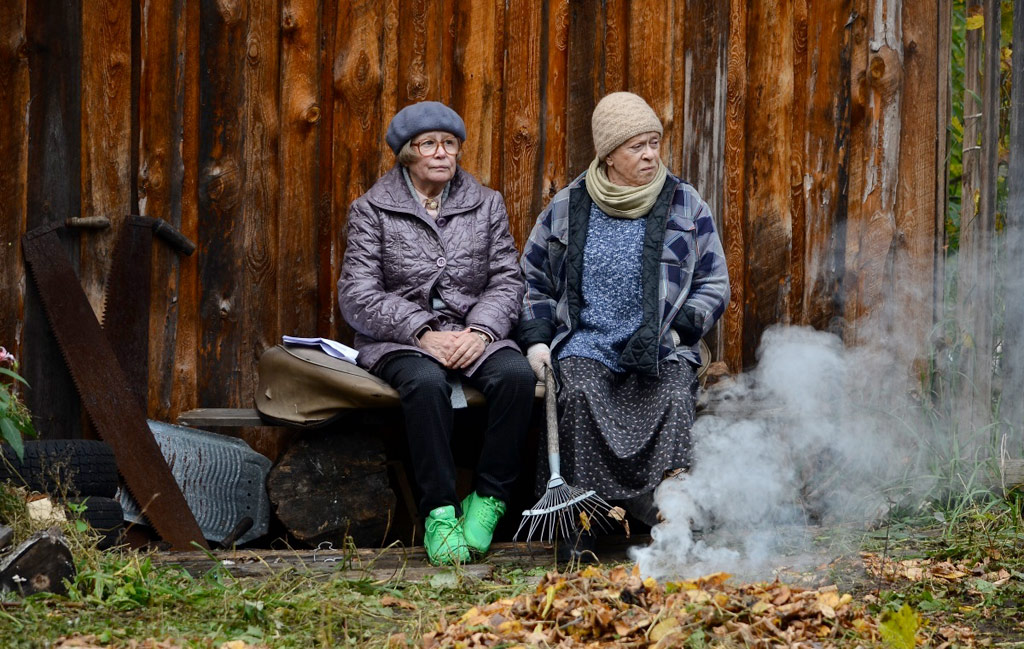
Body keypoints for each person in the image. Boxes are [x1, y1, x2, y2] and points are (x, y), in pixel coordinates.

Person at [518, 91, 730, 552]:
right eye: (637, 146)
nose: (651, 154)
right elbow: (533, 278)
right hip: (587, 341)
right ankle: (581, 525)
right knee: (576, 394)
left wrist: (679, 331)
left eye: (654, 143)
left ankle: (673, 525)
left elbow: (714, 280)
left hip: (660, 343)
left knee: (674, 394)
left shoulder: (684, 203)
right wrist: (537, 340)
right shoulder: (568, 206)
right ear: (609, 154)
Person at [338, 101, 536, 566]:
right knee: (425, 385)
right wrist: (420, 331)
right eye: (430, 144)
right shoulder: (372, 210)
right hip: (402, 339)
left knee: (517, 378)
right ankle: (440, 512)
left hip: (473, 332)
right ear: (408, 153)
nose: (443, 153)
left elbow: (507, 280)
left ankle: (487, 500)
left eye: (450, 144)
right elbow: (357, 293)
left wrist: (482, 331)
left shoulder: (486, 203)